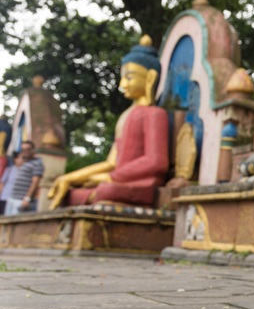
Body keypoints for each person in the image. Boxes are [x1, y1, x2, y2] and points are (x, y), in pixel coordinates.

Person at [48, 36, 169, 209]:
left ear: (150, 78)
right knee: (73, 192)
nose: (122, 84)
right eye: (123, 77)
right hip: (119, 178)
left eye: (129, 77)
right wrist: (70, 178)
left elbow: (156, 161)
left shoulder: (155, 114)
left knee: (107, 190)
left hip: (139, 182)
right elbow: (111, 163)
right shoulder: (126, 116)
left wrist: (112, 177)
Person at [6, 141, 44, 215]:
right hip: (13, 198)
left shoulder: (37, 163)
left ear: (33, 150)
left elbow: (35, 183)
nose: (25, 151)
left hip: (22, 200)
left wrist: (27, 199)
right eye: (23, 149)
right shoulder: (25, 162)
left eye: (28, 149)